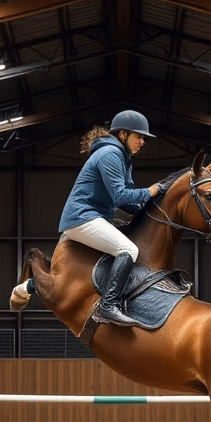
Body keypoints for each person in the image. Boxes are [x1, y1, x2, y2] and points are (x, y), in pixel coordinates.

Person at [57, 110, 163, 326]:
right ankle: (108, 306)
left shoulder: (121, 157)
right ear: (123, 134)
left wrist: (149, 209)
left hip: (93, 217)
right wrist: (149, 192)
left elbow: (125, 203)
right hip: (83, 217)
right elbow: (120, 196)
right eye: (139, 136)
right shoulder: (110, 154)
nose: (142, 142)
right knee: (129, 250)